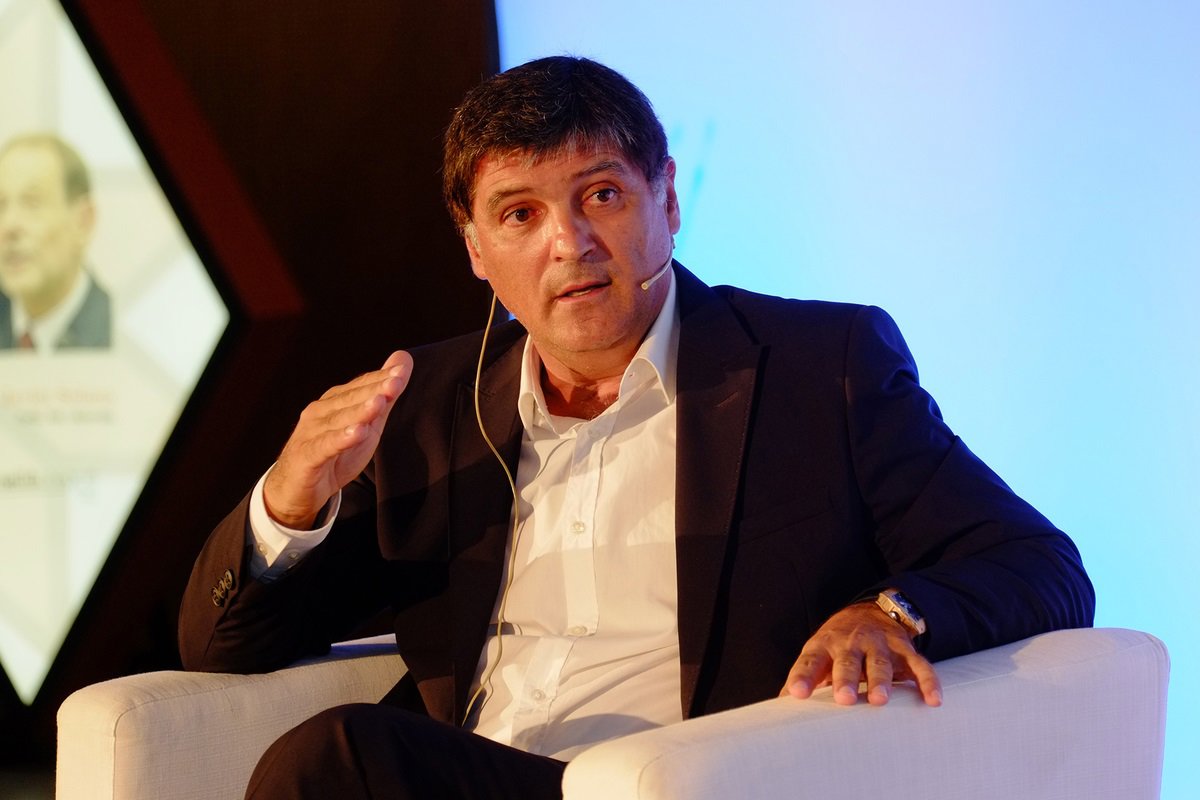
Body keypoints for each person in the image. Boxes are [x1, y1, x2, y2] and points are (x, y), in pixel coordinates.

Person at [179, 56, 1094, 799]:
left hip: (686, 781)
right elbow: (221, 650)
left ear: (668, 199)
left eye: (602, 196)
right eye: (521, 214)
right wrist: (288, 504)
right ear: (475, 249)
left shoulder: (819, 367)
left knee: (340, 757)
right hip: (476, 775)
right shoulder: (425, 404)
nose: (569, 243)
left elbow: (1038, 564)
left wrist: (887, 613)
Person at [0, 133, 111, 353]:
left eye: (32, 203)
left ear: (83, 221)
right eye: (1, 205)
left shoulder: (118, 333)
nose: (9, 226)